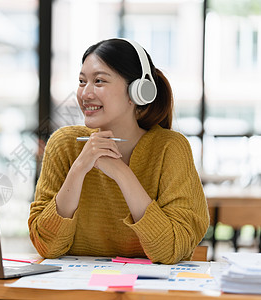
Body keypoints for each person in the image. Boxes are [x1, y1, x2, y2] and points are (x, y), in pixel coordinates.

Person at [28, 38, 209, 264]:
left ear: (138, 91)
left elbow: (171, 249)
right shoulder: (64, 144)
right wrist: (78, 170)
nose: (85, 94)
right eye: (82, 81)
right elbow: (47, 246)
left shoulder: (170, 148)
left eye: (99, 81)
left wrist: (121, 173)